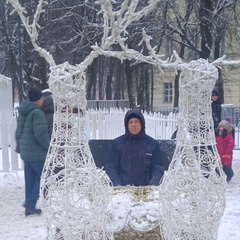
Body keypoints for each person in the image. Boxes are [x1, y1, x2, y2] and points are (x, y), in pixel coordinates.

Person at [105, 109, 165, 186]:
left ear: (142, 124)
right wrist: (118, 186)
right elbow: (111, 168)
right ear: (126, 125)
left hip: (146, 191)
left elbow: (158, 168)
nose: (134, 125)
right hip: (122, 191)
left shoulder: (152, 144)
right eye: (130, 122)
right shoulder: (117, 144)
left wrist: (152, 186)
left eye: (136, 121)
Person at [15, 87, 50, 216]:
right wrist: (49, 147)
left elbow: (18, 132)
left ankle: (29, 208)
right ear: (38, 99)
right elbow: (40, 134)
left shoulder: (24, 111)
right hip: (37, 153)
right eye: (42, 97)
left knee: (30, 180)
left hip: (26, 152)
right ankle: (30, 203)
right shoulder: (37, 113)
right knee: (44, 179)